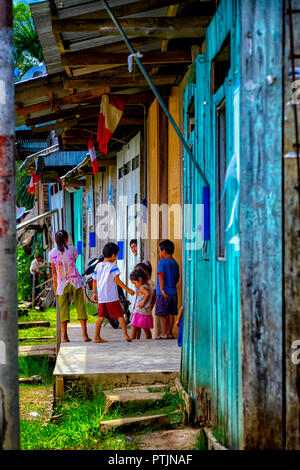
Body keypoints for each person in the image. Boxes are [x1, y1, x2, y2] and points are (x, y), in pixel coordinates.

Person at [49, 230, 91, 343]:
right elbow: (74, 263)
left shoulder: (52, 253)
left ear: (55, 240)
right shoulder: (73, 249)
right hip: (75, 282)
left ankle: (65, 337)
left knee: (63, 310)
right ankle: (85, 335)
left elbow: (54, 272)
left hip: (62, 284)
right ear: (67, 240)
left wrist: (55, 286)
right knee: (80, 306)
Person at [93, 242, 135, 343]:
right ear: (113, 255)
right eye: (116, 255)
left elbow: (94, 280)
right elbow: (117, 280)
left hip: (102, 298)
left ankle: (96, 337)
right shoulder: (112, 266)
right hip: (112, 297)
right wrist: (128, 289)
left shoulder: (98, 266)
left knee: (100, 317)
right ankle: (126, 335)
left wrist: (94, 292)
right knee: (120, 315)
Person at [155, 239, 180, 340]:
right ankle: (170, 333)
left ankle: (164, 333)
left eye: (160, 251)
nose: (160, 253)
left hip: (163, 293)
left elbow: (161, 276)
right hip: (173, 292)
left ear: (164, 251)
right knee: (171, 313)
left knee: (162, 313)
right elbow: (177, 277)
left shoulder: (162, 262)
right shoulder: (175, 263)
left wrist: (161, 289)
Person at [129, 268, 154, 340]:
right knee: (146, 329)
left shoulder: (142, 287)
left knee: (134, 325)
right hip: (146, 311)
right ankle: (148, 340)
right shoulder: (149, 287)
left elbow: (147, 294)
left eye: (135, 283)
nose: (135, 285)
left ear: (140, 279)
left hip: (139, 311)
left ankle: (132, 338)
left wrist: (143, 303)